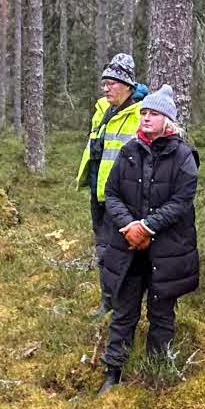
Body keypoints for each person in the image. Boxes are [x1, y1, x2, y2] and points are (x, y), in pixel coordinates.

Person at [97, 85, 202, 394]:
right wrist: (130, 226)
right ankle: (112, 372)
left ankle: (156, 373)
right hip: (128, 248)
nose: (145, 117)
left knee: (162, 315)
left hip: (167, 252)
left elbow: (181, 202)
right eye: (143, 112)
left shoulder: (184, 156)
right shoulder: (129, 151)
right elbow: (112, 193)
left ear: (167, 121)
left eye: (152, 113)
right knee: (124, 311)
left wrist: (147, 227)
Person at [77, 54, 148, 313]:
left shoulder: (141, 113)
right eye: (104, 83)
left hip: (124, 198)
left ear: (127, 84)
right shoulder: (102, 110)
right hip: (99, 193)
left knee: (122, 252)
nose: (106, 88)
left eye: (112, 83)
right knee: (103, 248)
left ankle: (125, 304)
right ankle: (108, 301)